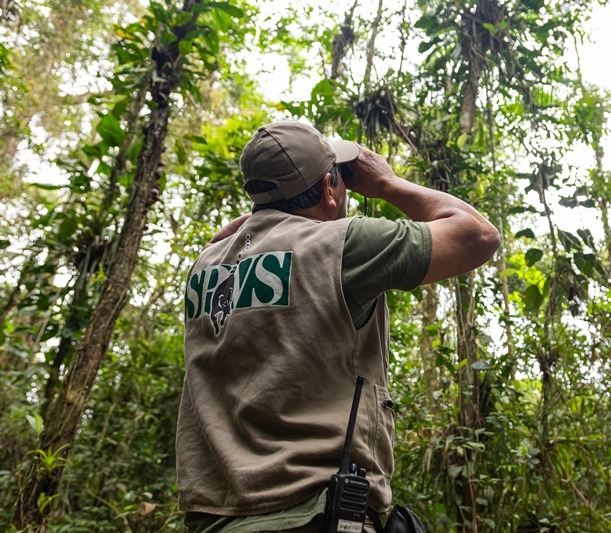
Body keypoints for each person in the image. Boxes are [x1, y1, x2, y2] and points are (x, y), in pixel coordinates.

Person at [177, 120, 500, 532]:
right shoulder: (343, 245)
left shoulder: (205, 266)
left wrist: (259, 219)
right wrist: (387, 184)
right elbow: (478, 235)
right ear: (330, 188)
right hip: (314, 514)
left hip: (215, 521)